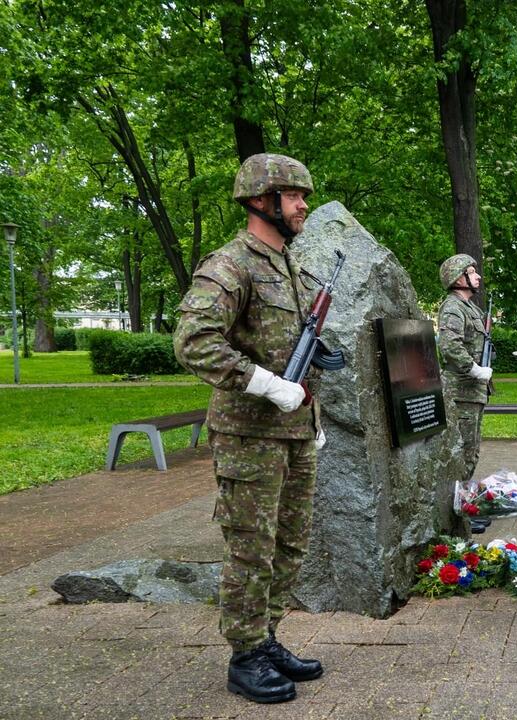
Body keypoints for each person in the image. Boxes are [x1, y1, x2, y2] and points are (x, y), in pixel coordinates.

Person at [174, 153, 325, 704]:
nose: (303, 204)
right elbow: (193, 342)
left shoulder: (289, 264)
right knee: (250, 548)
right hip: (249, 436)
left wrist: (312, 411)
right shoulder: (231, 264)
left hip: (295, 431)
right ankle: (244, 655)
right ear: (262, 201)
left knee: (290, 542)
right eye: (294, 196)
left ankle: (267, 638)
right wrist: (262, 382)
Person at [436, 253, 492, 535]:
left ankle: (463, 510)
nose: (478, 276)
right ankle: (458, 515)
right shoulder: (453, 308)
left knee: (471, 453)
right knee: (463, 455)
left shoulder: (469, 308)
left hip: (472, 392)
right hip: (461, 391)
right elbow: (449, 345)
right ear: (459, 278)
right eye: (472, 271)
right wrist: (474, 369)